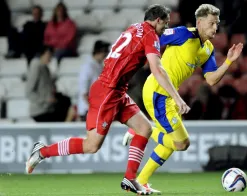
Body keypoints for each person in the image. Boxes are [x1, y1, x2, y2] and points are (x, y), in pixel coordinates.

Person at [25, 4, 190, 195]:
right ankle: (42, 151)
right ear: (158, 20)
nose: (165, 29)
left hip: (117, 90)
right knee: (91, 145)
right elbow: (157, 69)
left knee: (144, 129)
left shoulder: (133, 27)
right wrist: (177, 98)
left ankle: (130, 179)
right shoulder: (150, 35)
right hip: (108, 92)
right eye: (165, 24)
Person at [123, 4, 243, 194]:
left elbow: (211, 79)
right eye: (211, 23)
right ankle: (141, 128)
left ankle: (140, 182)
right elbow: (154, 36)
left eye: (217, 24)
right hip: (157, 91)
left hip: (168, 96)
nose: (215, 28)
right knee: (181, 143)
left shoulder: (208, 49)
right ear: (199, 22)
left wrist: (228, 61)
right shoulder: (182, 33)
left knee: (170, 144)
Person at [77, 40, 110, 121]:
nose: (106, 54)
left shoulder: (99, 66)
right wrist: (93, 109)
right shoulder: (88, 67)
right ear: (99, 51)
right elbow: (84, 92)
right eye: (105, 51)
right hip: (87, 111)